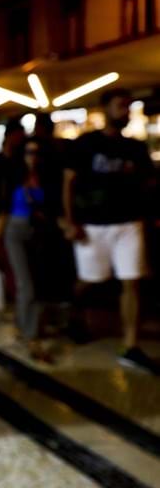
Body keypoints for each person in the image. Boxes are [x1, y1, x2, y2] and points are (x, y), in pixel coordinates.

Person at [63, 88, 157, 373]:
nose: (125, 111)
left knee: (131, 281)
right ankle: (74, 311)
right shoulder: (85, 145)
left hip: (128, 223)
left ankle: (130, 345)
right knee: (90, 280)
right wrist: (70, 221)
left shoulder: (136, 148)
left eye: (128, 106)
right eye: (120, 105)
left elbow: (148, 184)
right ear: (105, 108)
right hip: (93, 225)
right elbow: (68, 184)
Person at [0, 138, 57, 362]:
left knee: (34, 282)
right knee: (26, 284)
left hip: (38, 233)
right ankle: (31, 336)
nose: (32, 156)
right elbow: (3, 211)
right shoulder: (13, 178)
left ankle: (23, 324)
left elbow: (52, 209)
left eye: (36, 152)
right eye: (28, 152)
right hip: (15, 231)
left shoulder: (46, 178)